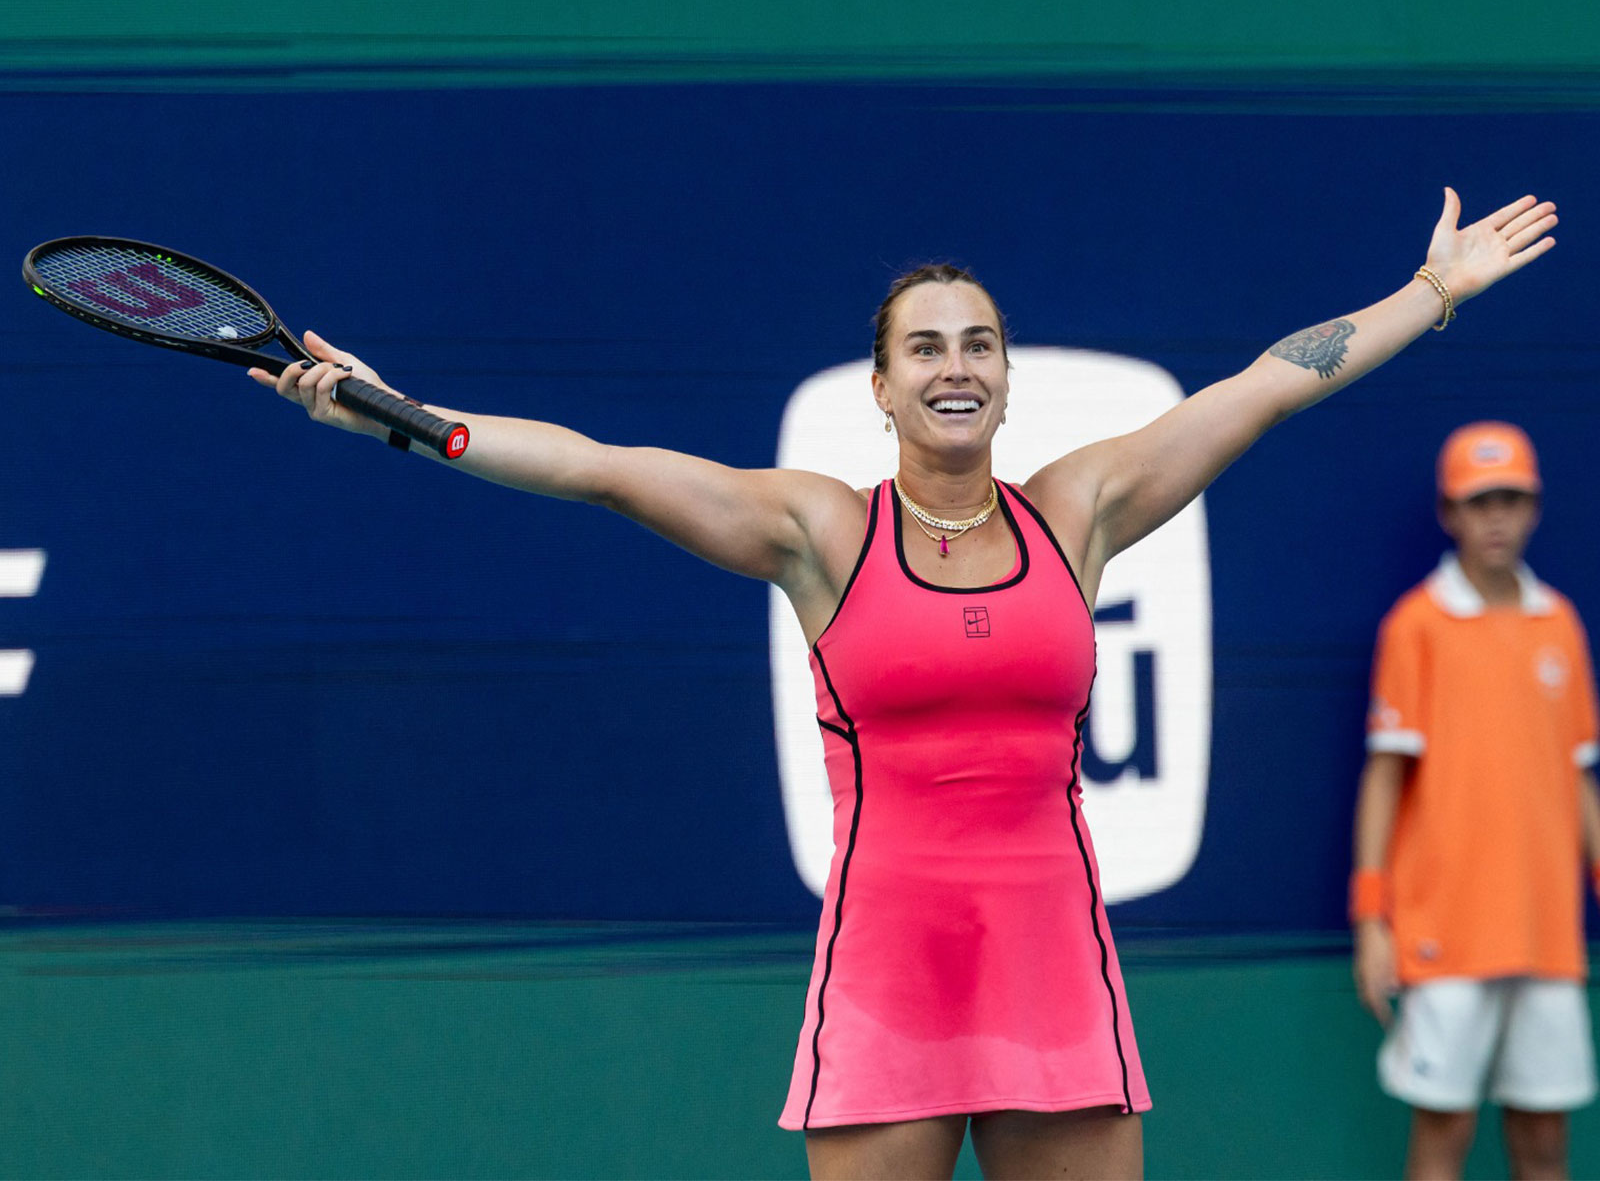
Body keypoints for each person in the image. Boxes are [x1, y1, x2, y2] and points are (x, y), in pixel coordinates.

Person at [255, 188, 1554, 1181]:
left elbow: (1266, 388)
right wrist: (407, 417)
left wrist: (1430, 292)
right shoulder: (817, 532)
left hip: (1055, 973)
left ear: (1004, 379)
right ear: (881, 388)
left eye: (978, 344)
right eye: (925, 347)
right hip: (889, 979)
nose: (955, 366)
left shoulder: (1079, 511)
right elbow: (600, 466)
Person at [1351, 420, 1600, 1181]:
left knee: (1543, 1138)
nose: (1495, 516)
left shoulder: (1559, 622)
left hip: (1545, 934)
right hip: (1444, 932)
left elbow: (1578, 776)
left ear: (1534, 508)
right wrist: (1372, 920)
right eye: (1478, 500)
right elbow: (1385, 778)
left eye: (1510, 499)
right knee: (1444, 1129)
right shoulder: (1416, 626)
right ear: (1449, 513)